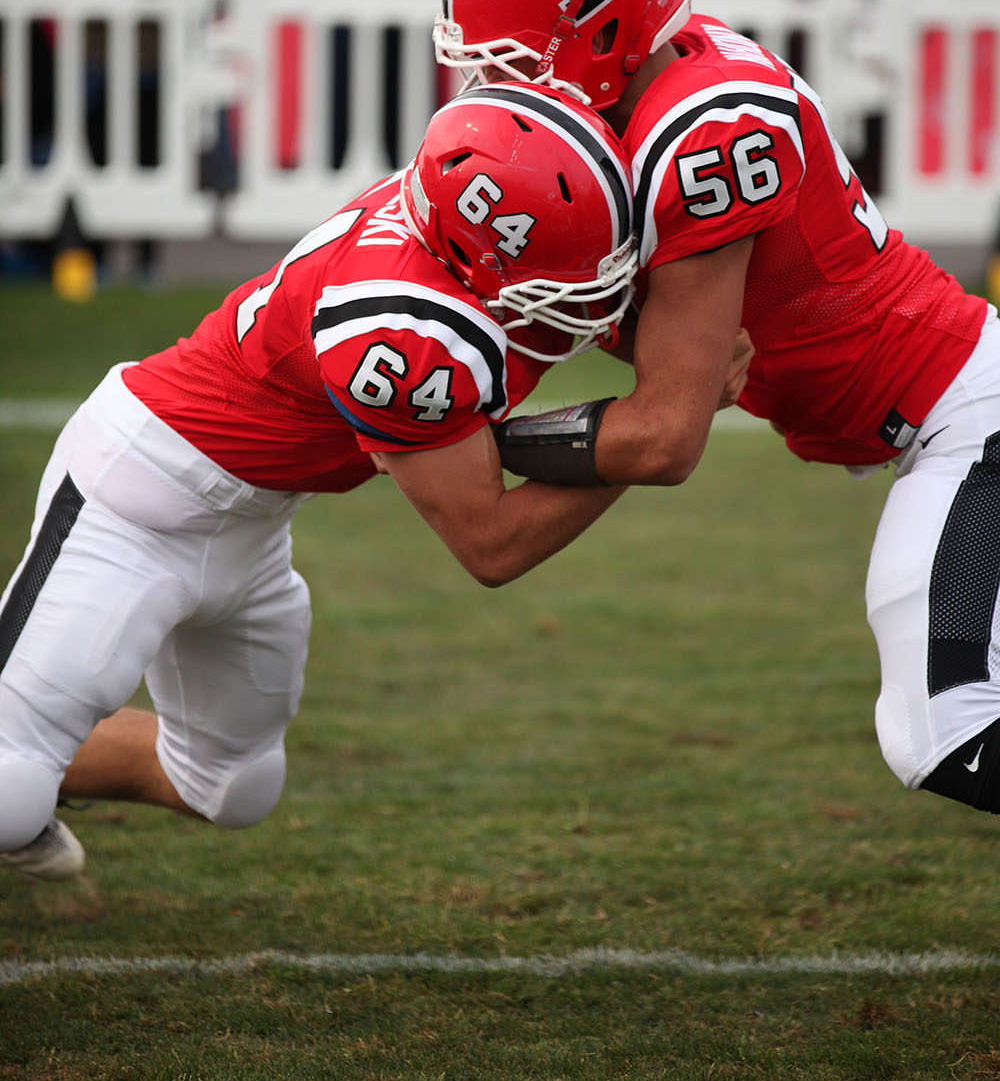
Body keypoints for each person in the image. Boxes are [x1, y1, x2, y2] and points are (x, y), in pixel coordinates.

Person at [433, 0, 1000, 824]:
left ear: (604, 35)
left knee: (941, 728)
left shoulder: (707, 129)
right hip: (939, 414)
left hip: (966, 415)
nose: (494, 84)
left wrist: (473, 449)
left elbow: (666, 434)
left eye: (514, 59)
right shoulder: (659, 85)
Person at [0, 85, 649, 882]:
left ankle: (39, 770)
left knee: (232, 786)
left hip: (253, 527)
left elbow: (556, 317)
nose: (597, 286)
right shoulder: (399, 330)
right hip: (134, 498)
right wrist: (641, 437)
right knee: (7, 791)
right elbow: (491, 541)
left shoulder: (454, 218)